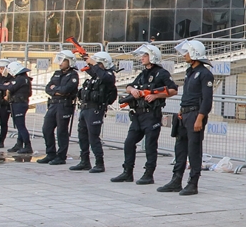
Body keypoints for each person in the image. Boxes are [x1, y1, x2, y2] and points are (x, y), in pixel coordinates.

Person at [111, 44, 177, 185]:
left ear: (152, 56)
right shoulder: (142, 74)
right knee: (129, 143)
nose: (142, 58)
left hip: (151, 115)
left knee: (150, 145)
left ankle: (148, 174)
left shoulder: (162, 73)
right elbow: (129, 86)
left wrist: (156, 96)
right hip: (138, 115)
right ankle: (127, 172)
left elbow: (173, 90)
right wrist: (132, 91)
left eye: (145, 55)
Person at [159, 40, 214, 196]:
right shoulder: (190, 71)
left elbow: (207, 99)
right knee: (180, 149)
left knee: (194, 150)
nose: (184, 55)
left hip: (196, 114)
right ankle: (176, 180)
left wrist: (200, 118)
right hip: (185, 114)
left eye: (187, 52)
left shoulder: (205, 74)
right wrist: (181, 111)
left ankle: (193, 183)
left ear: (195, 53)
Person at [70, 52, 118, 173]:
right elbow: (93, 71)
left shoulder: (108, 75)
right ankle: (84, 161)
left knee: (93, 137)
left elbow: (103, 76)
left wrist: (94, 63)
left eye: (98, 64)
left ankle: (99, 163)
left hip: (96, 110)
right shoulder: (96, 75)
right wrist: (86, 58)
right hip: (85, 108)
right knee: (82, 135)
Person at [39, 51, 80, 164]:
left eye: (63, 61)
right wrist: (58, 90)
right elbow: (48, 88)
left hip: (64, 105)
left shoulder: (73, 75)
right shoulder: (57, 73)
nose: (60, 63)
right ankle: (50, 153)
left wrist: (55, 89)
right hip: (53, 104)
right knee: (46, 129)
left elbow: (66, 90)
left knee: (61, 131)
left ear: (69, 62)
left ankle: (61, 156)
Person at [1, 61, 34, 154]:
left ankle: (27, 146)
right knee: (20, 125)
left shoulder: (20, 79)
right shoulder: (25, 78)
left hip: (19, 104)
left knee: (20, 126)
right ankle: (19, 144)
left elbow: (10, 87)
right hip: (21, 103)